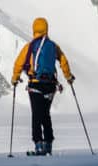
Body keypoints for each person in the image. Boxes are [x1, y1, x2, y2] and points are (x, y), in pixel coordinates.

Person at [11, 17, 74, 155]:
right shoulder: (53, 46)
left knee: (36, 114)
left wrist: (15, 78)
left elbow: (18, 63)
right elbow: (63, 61)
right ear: (46, 29)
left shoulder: (30, 46)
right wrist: (68, 76)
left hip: (35, 85)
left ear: (34, 29)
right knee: (45, 114)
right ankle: (48, 143)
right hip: (50, 85)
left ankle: (38, 144)